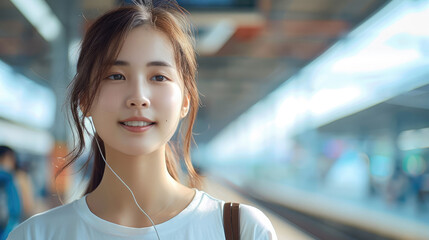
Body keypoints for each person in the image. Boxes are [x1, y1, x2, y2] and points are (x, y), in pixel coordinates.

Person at [7, 1, 277, 239]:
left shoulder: (243, 231)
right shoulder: (35, 235)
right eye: (115, 76)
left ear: (185, 100)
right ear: (85, 100)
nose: (138, 97)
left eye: (158, 77)